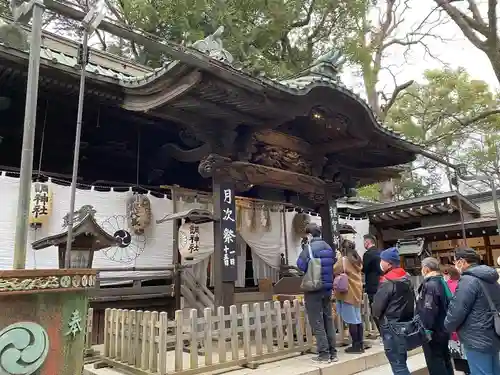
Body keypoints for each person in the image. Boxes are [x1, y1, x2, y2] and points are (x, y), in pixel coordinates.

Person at [444, 247, 500, 375]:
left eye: (455, 261)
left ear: (462, 262)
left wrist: (448, 326)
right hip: (493, 334)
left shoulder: (468, 280)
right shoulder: (491, 279)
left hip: (476, 337)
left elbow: (457, 310)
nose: (455, 265)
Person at [296, 223, 338, 363]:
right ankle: (333, 352)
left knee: (317, 321)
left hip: (314, 288)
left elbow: (300, 265)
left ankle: (324, 354)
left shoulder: (309, 248)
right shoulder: (328, 247)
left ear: (309, 235)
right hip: (327, 288)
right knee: (328, 320)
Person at [372, 247, 414, 375]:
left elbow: (377, 308)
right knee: (401, 360)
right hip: (405, 324)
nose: (380, 262)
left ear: (389, 263)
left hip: (391, 326)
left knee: (397, 364)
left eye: (382, 260)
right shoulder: (406, 278)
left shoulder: (387, 282)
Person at [416, 257, 454, 375]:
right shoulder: (442, 281)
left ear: (426, 269)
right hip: (444, 327)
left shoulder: (430, 285)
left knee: (435, 361)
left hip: (434, 331)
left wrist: (426, 330)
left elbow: (429, 309)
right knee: (445, 358)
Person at [334, 239, 364, 353]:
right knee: (357, 319)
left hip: (348, 293)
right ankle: (360, 344)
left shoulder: (344, 260)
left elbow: (334, 269)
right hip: (357, 292)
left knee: (351, 320)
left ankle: (355, 346)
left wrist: (338, 257)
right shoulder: (357, 259)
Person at [443, 265, 470, 375]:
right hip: (468, 329)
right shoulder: (463, 284)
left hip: (454, 329)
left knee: (460, 361)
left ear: (447, 275)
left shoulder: (447, 286)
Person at [362, 234, 382, 333]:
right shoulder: (380, 252)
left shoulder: (368, 255)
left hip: (372, 285)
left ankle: (382, 333)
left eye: (364, 242)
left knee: (375, 312)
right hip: (381, 283)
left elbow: (364, 269)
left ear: (368, 242)